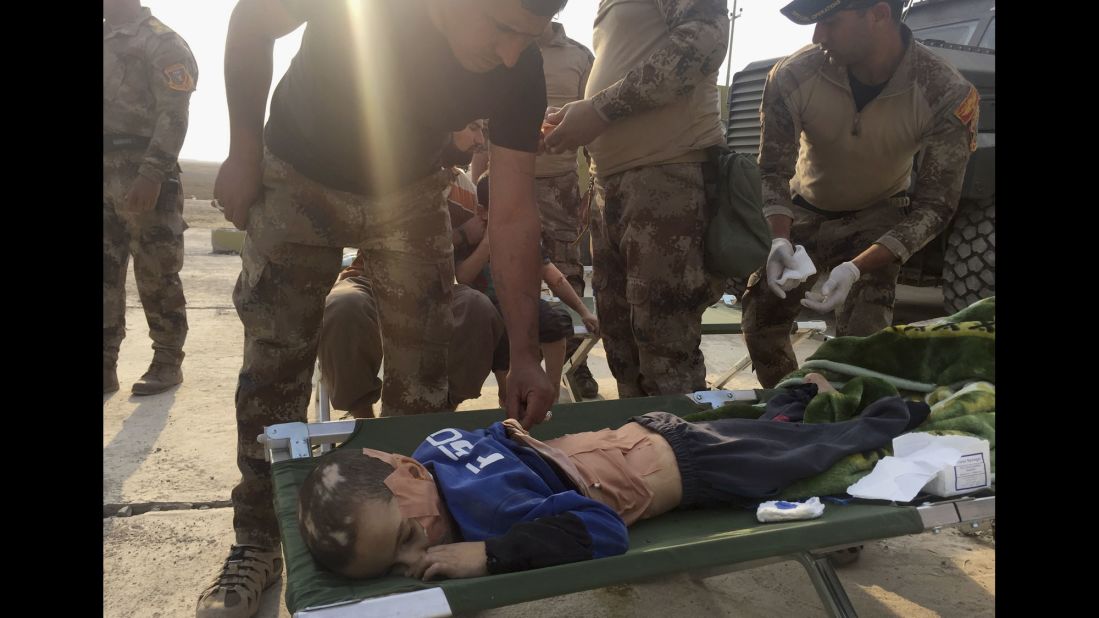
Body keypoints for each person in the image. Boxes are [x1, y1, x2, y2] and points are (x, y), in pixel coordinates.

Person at [200, 1, 568, 616]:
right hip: (299, 172)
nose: (510, 55)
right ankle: (257, 539)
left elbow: (510, 213)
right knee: (275, 365)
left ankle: (410, 533)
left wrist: (526, 354)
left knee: (422, 374)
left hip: (410, 190)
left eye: (525, 40)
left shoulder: (519, 66)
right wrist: (242, 152)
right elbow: (252, 20)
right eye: (503, 29)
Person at [296, 374, 929, 580]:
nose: (420, 553)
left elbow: (602, 528)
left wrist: (491, 554)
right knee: (773, 442)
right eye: (399, 560)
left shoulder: (487, 518)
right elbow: (510, 444)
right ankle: (785, 406)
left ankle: (908, 411)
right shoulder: (436, 450)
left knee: (815, 453)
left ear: (402, 470)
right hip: (648, 437)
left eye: (411, 535)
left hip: (691, 467)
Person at [741, 0, 980, 387]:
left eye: (831, 23)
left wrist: (857, 267)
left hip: (877, 218)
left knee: (863, 345)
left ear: (879, 14)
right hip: (802, 212)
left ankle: (846, 417)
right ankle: (790, 410)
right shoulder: (794, 74)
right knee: (759, 320)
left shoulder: (944, 92)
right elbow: (773, 170)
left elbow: (936, 207)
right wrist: (779, 239)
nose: (818, 37)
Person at [542, 0, 729, 399]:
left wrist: (599, 111)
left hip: (666, 180)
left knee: (665, 350)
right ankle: (640, 448)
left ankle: (677, 451)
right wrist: (582, 117)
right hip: (612, 186)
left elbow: (702, 43)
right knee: (621, 344)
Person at [318, 125, 504, 417]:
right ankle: (366, 422)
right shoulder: (389, 171)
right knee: (343, 307)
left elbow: (462, 266)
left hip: (435, 284)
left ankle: (439, 412)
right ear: (447, 124)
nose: (480, 139)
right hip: (369, 278)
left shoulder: (465, 189)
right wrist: (460, 236)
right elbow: (360, 233)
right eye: (473, 128)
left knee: (476, 308)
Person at [103, 0, 197, 395]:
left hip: (141, 168)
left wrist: (152, 172)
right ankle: (105, 363)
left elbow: (174, 112)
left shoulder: (161, 42)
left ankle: (166, 361)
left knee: (156, 273)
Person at [458, 174, 599, 403]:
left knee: (554, 322)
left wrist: (584, 312)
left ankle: (551, 391)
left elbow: (555, 278)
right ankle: (508, 395)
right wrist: (487, 244)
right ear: (483, 211)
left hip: (523, 302)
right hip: (488, 310)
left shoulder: (524, 237)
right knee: (501, 337)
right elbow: (463, 277)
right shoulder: (472, 237)